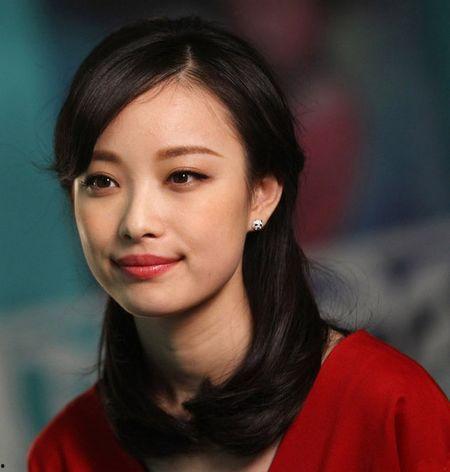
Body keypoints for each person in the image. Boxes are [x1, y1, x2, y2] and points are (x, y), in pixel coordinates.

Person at [27, 16, 449, 472]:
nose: (137, 222)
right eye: (103, 181)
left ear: (261, 194)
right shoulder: (65, 453)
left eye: (183, 176)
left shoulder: (389, 409)